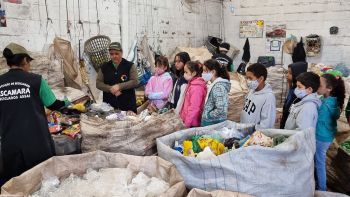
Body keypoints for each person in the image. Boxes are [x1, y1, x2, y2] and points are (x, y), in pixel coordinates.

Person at [0, 43, 69, 182]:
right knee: (42, 183)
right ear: (25, 60)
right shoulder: (36, 80)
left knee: (15, 184)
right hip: (36, 143)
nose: (29, 65)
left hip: (10, 144)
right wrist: (66, 103)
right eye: (29, 62)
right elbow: (53, 104)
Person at [315, 73, 345, 191]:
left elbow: (317, 118)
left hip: (321, 137)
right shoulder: (330, 100)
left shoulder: (327, 105)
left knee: (319, 162)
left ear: (329, 89)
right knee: (319, 160)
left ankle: (322, 188)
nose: (317, 86)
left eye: (320, 85)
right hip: (326, 135)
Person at [96, 42, 139, 113]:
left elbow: (135, 81)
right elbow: (98, 83)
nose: (114, 56)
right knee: (110, 123)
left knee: (129, 123)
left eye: (116, 53)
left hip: (128, 105)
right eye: (111, 54)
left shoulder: (130, 66)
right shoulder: (104, 67)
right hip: (109, 106)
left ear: (121, 53)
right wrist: (110, 88)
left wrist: (119, 86)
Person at [240, 63, 276, 129]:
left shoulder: (268, 98)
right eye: (247, 78)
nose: (247, 81)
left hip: (254, 136)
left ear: (261, 78)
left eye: (250, 78)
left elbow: (266, 125)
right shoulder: (252, 90)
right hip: (244, 132)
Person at [201, 59, 231, 126]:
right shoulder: (213, 84)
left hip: (213, 124)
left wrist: (208, 115)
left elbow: (221, 109)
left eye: (205, 71)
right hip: (210, 123)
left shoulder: (219, 87)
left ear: (213, 72)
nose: (202, 73)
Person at [280, 63, 308, 129]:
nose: (287, 75)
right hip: (286, 114)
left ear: (297, 73)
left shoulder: (300, 92)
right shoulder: (294, 87)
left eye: (290, 73)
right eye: (287, 72)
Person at [180, 61, 207, 128]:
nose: (184, 74)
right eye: (184, 72)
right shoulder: (191, 84)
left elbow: (194, 108)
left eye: (186, 72)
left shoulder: (197, 88)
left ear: (194, 73)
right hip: (187, 119)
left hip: (192, 122)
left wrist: (187, 124)